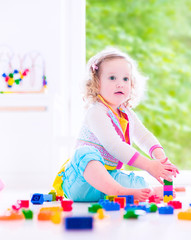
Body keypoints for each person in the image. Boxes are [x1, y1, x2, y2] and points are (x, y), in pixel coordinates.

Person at [53, 47, 179, 202]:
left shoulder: (127, 114)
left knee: (138, 183)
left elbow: (145, 137)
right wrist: (149, 165)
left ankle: (140, 190)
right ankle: (119, 191)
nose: (120, 84)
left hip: (105, 182)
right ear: (96, 83)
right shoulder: (96, 112)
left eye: (125, 79)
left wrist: (161, 161)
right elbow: (114, 146)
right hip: (80, 181)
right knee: (84, 153)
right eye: (112, 78)